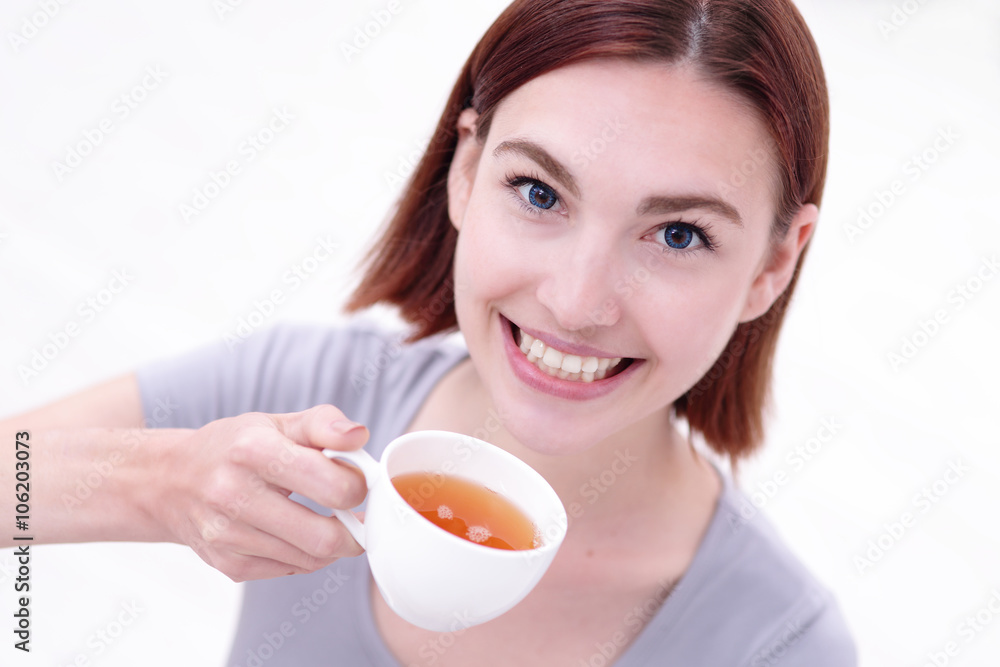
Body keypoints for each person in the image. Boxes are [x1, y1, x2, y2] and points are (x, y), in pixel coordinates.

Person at [1, 0, 857, 664]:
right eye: (539, 192)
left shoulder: (775, 643)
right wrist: (157, 481)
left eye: (677, 235)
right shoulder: (310, 388)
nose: (576, 301)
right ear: (466, 170)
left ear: (773, 267)